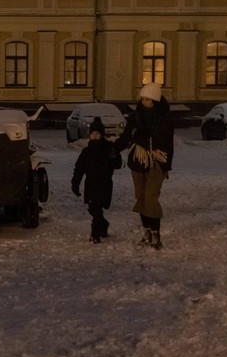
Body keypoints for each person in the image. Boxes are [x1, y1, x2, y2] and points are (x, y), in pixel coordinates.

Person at [113, 82, 175, 249]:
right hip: (137, 162)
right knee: (141, 197)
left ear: (155, 100)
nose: (144, 102)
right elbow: (127, 137)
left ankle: (156, 233)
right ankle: (146, 231)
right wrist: (113, 149)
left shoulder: (165, 119)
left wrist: (137, 137)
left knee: (150, 197)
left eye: (148, 99)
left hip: (157, 162)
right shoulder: (136, 116)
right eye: (143, 99)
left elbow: (158, 142)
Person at [71, 117, 121, 243]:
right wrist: (75, 183)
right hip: (91, 184)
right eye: (92, 134)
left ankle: (95, 234)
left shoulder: (108, 148)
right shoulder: (86, 152)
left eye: (97, 134)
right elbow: (79, 168)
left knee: (97, 208)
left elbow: (118, 164)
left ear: (102, 135)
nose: (95, 136)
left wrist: (115, 157)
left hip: (104, 184)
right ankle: (103, 225)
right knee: (92, 209)